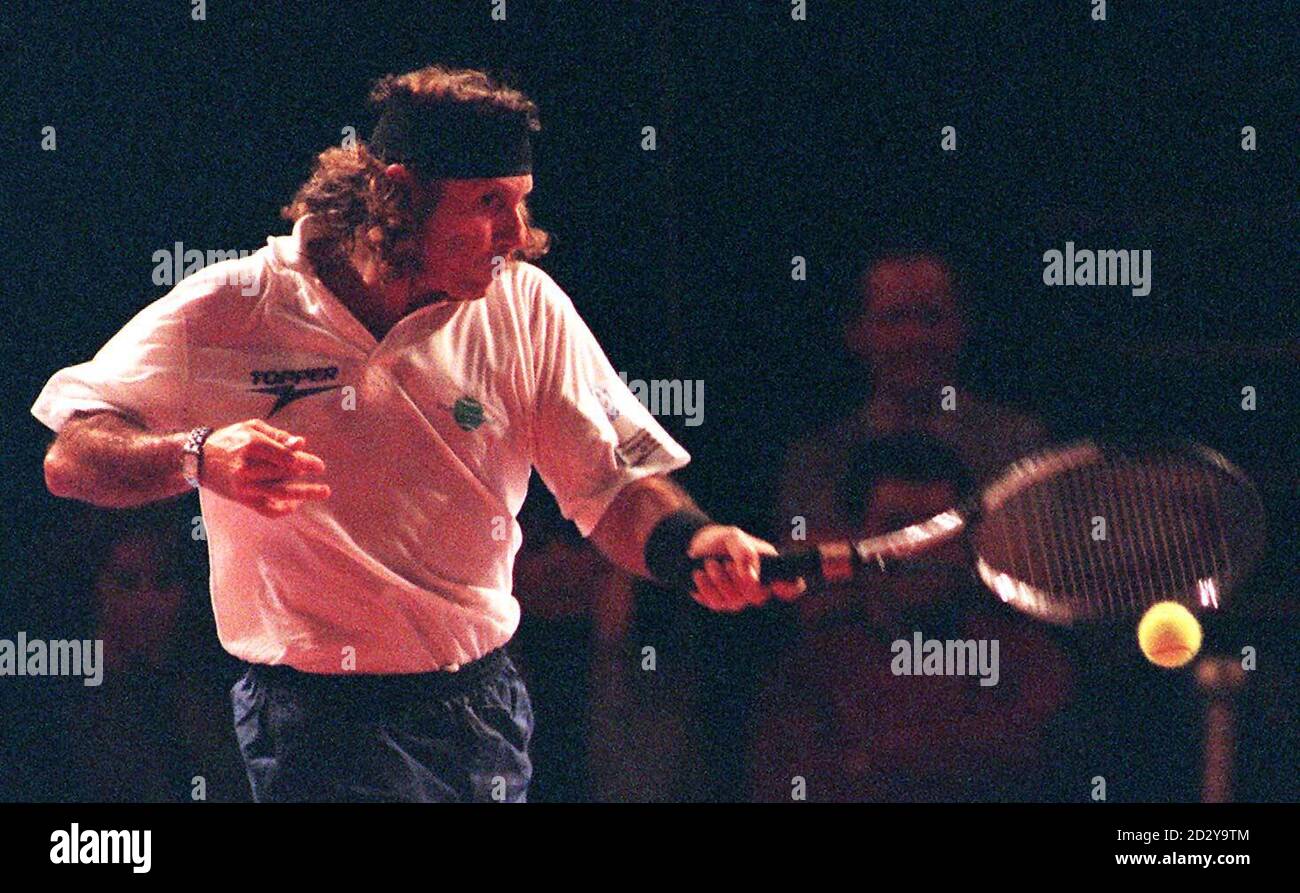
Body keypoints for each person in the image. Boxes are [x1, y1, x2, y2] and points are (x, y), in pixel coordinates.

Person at [33, 64, 802, 803]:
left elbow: (611, 486)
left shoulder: (525, 308)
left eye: (521, 202)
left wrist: (694, 544)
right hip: (316, 722)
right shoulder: (237, 304)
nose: (517, 232)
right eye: (489, 203)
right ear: (399, 195)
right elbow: (71, 458)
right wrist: (198, 456)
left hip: (484, 706)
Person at [751, 434, 1073, 802]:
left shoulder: (1030, 662)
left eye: (940, 528)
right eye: (898, 525)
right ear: (858, 539)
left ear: (969, 540)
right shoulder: (812, 672)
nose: (922, 549)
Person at [775, 250, 1050, 548]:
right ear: (856, 332)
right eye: (895, 318)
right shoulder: (817, 457)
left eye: (931, 318)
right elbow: (804, 576)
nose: (914, 337)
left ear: (962, 326)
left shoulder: (1014, 443)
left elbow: (1036, 562)